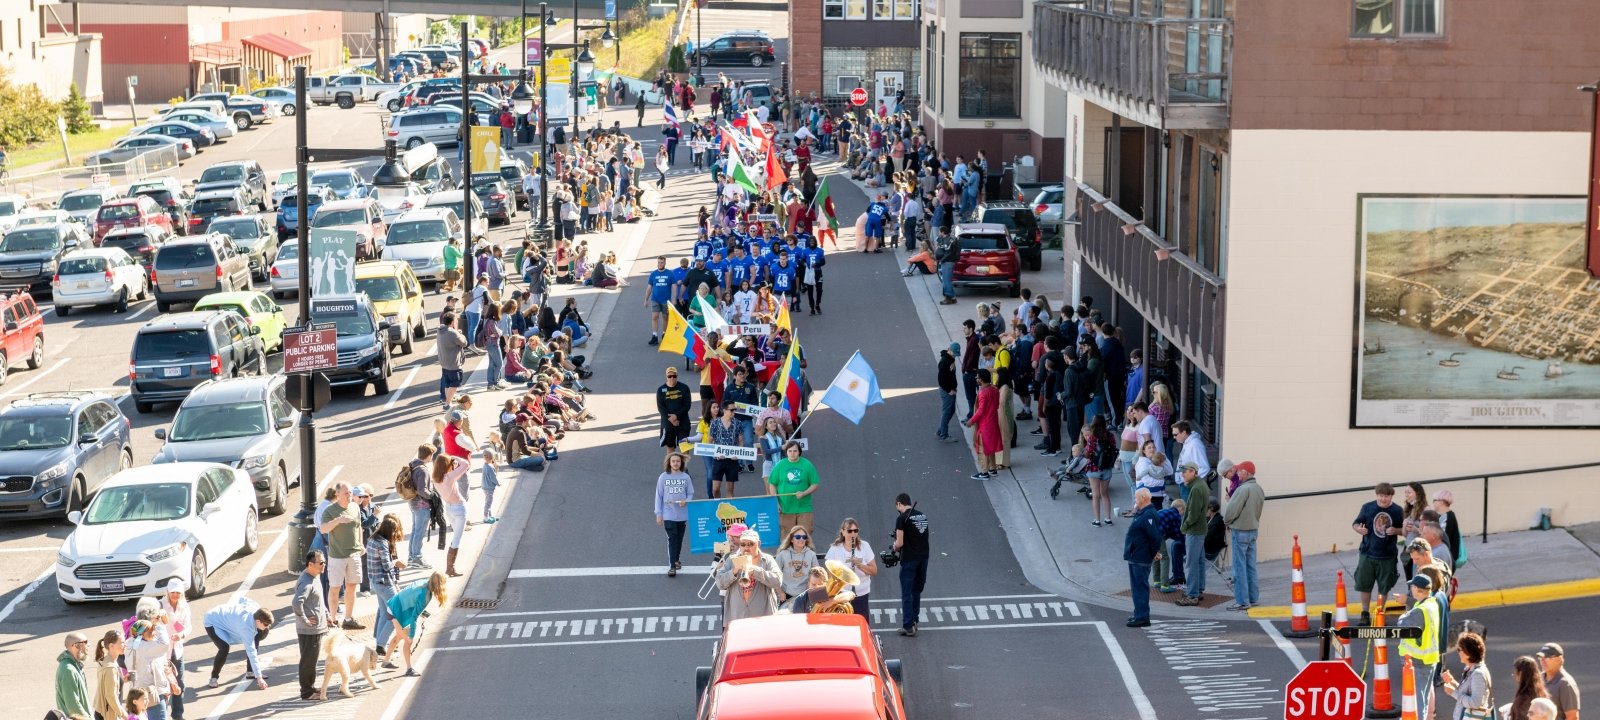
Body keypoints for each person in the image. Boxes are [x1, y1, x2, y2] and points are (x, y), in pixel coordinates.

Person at [1353, 482, 1407, 624]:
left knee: (1384, 587)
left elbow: (1405, 531)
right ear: (1377, 495)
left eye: (1387, 496)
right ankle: (1364, 613)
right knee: (1365, 585)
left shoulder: (1397, 510)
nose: (1383, 499)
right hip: (1367, 553)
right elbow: (1356, 523)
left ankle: (1379, 614)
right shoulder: (1367, 507)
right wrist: (1359, 529)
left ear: (1391, 496)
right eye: (1381, 496)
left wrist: (1396, 531)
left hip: (1388, 555)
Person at [317, 482, 365, 629]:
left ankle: (348, 619)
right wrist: (338, 521)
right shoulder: (329, 511)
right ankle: (332, 620)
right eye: (346, 493)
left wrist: (361, 545)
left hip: (354, 554)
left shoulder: (355, 507)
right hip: (337, 556)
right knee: (335, 587)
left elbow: (359, 528)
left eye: (350, 493)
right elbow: (323, 529)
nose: (349, 496)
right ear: (337, 494)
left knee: (352, 586)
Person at [1394, 573, 1444, 715]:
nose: (1411, 589)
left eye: (1412, 586)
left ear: (1417, 589)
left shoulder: (1419, 611)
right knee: (1423, 698)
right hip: (1429, 659)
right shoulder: (1431, 604)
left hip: (1418, 661)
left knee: (1417, 702)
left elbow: (1401, 627)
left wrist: (1403, 615)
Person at [385, 572, 449, 678]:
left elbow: (414, 602)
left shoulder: (424, 582)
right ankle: (409, 669)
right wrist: (411, 636)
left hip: (393, 605)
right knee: (407, 640)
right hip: (396, 611)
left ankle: (386, 661)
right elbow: (414, 617)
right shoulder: (425, 595)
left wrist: (425, 614)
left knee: (400, 636)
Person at [201, 597, 271, 689]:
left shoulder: (257, 609)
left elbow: (242, 599)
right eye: (266, 625)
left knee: (256, 635)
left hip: (227, 619)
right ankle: (213, 678)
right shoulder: (246, 628)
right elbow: (251, 652)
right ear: (258, 621)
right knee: (224, 648)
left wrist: (232, 611)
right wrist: (260, 678)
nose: (267, 627)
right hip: (213, 621)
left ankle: (251, 672)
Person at [716, 529, 783, 622]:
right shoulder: (732, 560)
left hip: (763, 617)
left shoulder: (768, 559)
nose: (746, 547)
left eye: (750, 544)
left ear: (758, 544)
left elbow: (777, 581)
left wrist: (756, 571)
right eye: (743, 544)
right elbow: (719, 583)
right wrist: (734, 571)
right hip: (737, 617)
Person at [1222, 461, 1263, 611]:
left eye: (1240, 471)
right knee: (1251, 565)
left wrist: (1227, 521)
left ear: (1246, 472)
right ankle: (1253, 598)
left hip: (1240, 531)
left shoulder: (1242, 490)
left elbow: (1231, 511)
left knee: (1239, 567)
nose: (1237, 473)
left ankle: (1242, 601)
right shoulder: (1258, 489)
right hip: (1253, 529)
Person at [294, 549, 332, 701]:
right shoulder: (306, 581)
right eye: (321, 563)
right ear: (310, 564)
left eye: (325, 561)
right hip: (309, 630)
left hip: (316, 628)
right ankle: (307, 692)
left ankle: (309, 686)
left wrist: (327, 616)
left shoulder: (314, 576)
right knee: (308, 661)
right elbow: (297, 603)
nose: (324, 565)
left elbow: (319, 601)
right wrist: (305, 619)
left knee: (312, 660)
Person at [1121, 488, 1162, 628]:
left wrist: (1152, 553)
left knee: (1140, 587)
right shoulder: (1142, 513)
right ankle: (1139, 613)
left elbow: (1155, 538)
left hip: (1141, 556)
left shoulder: (1149, 515)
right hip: (1135, 555)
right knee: (1137, 587)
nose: (1134, 500)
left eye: (1136, 498)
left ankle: (1142, 617)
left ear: (1144, 498)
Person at [367, 515, 406, 654]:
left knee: (384, 613)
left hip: (375, 582)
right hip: (385, 583)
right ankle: (381, 644)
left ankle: (380, 643)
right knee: (395, 613)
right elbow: (387, 565)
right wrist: (397, 562)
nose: (395, 534)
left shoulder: (372, 539)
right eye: (394, 532)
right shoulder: (382, 543)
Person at [825, 518, 878, 619]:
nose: (853, 534)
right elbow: (830, 573)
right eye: (849, 531)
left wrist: (860, 565)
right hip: (842, 593)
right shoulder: (835, 548)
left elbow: (874, 571)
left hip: (861, 593)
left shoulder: (865, 546)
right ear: (843, 532)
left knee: (861, 621)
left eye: (855, 531)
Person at [893, 493, 930, 637]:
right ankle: (915, 620)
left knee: (907, 592)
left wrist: (894, 547)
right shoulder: (922, 516)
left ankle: (908, 625)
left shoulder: (901, 519)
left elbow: (900, 543)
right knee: (917, 590)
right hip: (924, 557)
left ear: (899, 504)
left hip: (909, 559)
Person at [767, 440, 820, 538]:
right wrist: (776, 502)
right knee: (787, 538)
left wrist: (804, 493)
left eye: (795, 451)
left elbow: (815, 484)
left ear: (799, 452)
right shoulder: (779, 465)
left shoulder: (807, 464)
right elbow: (772, 484)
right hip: (785, 508)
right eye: (790, 451)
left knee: (805, 536)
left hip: (804, 508)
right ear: (786, 452)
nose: (792, 453)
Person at [1176, 463, 1211, 606]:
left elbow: (1193, 514)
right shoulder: (1200, 485)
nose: (1182, 474)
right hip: (1200, 530)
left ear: (1193, 472)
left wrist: (1184, 526)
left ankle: (1192, 595)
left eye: (1184, 472)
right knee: (1199, 561)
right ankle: (1198, 590)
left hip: (1195, 531)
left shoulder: (1196, 489)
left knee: (1191, 563)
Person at [655, 451, 694, 577]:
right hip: (668, 513)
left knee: (679, 538)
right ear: (669, 463)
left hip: (682, 514)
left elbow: (690, 493)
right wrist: (659, 514)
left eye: (678, 461)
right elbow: (658, 497)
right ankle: (672, 566)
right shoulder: (663, 477)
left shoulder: (685, 477)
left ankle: (676, 560)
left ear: (681, 462)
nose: (675, 463)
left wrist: (686, 501)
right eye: (673, 461)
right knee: (672, 538)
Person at [126, 621, 175, 720]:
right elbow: (165, 645)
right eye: (151, 629)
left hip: (137, 692)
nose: (154, 631)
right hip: (151, 693)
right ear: (141, 633)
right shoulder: (144, 647)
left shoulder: (132, 643)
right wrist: (158, 625)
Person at [156, 579, 190, 720]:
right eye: (173, 592)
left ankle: (178, 715)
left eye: (178, 593)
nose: (175, 595)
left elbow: (188, 626)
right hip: (162, 651)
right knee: (162, 684)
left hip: (177, 649)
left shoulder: (184, 606)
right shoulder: (160, 605)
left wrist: (181, 634)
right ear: (168, 592)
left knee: (179, 682)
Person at [434, 452, 471, 577]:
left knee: (456, 535)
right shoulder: (449, 477)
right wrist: (455, 457)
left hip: (449, 508)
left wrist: (452, 464)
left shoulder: (436, 479)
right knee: (457, 539)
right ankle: (450, 568)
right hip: (459, 508)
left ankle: (450, 567)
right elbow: (466, 464)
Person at [1441, 632, 1493, 720]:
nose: (1458, 653)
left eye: (1459, 650)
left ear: (1468, 652)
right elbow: (1468, 692)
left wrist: (1453, 692)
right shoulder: (1470, 669)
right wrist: (1452, 681)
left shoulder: (1478, 674)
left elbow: (1475, 702)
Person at [965, 369, 1003, 479]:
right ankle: (992, 468)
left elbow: (980, 410)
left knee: (982, 448)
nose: (976, 379)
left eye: (977, 377)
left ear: (981, 380)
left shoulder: (982, 393)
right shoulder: (995, 390)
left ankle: (984, 472)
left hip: (985, 424)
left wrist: (971, 421)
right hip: (993, 421)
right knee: (990, 448)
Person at [774, 525, 820, 603]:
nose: (801, 539)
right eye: (798, 537)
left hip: (806, 594)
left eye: (804, 537)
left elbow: (818, 575)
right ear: (792, 539)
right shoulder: (782, 554)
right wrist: (780, 592)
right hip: (786, 594)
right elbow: (774, 576)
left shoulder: (811, 554)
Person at [1536, 643, 1579, 720]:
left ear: (1559, 659)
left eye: (1547, 658)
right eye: (1540, 658)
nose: (1542, 661)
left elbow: (1572, 717)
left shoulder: (1565, 684)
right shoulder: (1539, 678)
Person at [92, 630, 126, 720]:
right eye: (122, 643)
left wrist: (123, 679)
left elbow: (108, 684)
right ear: (111, 646)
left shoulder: (106, 660)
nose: (125, 645)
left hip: (104, 711)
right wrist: (124, 715)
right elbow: (110, 696)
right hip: (107, 714)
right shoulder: (110, 668)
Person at [657, 367, 693, 452]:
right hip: (668, 423)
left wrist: (676, 416)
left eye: (674, 376)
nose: (672, 378)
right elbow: (661, 408)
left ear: (677, 376)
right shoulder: (661, 390)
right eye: (669, 376)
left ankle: (684, 465)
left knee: (684, 447)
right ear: (666, 377)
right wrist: (672, 419)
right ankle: (671, 465)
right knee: (670, 447)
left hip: (683, 422)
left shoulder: (684, 388)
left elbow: (687, 405)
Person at [56, 632, 91, 720]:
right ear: (76, 646)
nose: (88, 645)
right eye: (85, 642)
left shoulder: (75, 666)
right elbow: (73, 707)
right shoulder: (68, 670)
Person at [436, 312, 468, 408]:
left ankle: (448, 401)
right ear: (453, 321)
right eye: (456, 320)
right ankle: (447, 404)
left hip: (444, 363)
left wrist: (457, 332)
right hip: (453, 364)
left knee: (448, 384)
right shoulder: (452, 333)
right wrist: (459, 333)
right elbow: (464, 343)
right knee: (455, 383)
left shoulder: (440, 330)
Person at [1508, 655, 1550, 720]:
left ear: (1520, 674)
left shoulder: (1522, 700)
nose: (1514, 675)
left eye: (1516, 672)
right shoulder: (1543, 694)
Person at [646, 256, 675, 345]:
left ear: (665, 263)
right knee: (654, 317)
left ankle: (664, 334)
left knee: (665, 317)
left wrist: (674, 299)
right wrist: (646, 299)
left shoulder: (670, 273)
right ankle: (654, 335)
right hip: (655, 299)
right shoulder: (653, 274)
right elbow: (649, 287)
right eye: (659, 262)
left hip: (666, 300)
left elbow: (674, 286)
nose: (660, 264)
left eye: (662, 262)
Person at [936, 343, 960, 442]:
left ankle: (941, 430)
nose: (955, 356)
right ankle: (944, 435)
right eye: (954, 353)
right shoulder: (945, 362)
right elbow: (941, 379)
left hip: (950, 389)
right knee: (947, 412)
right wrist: (949, 390)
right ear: (949, 350)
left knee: (950, 411)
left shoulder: (950, 359)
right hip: (947, 391)